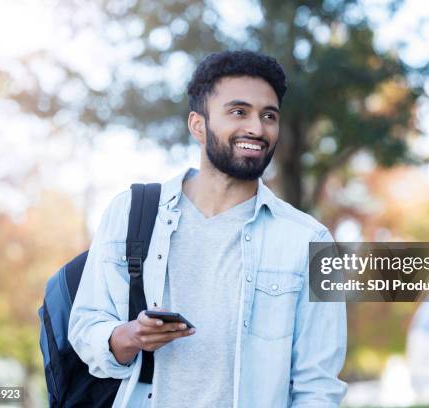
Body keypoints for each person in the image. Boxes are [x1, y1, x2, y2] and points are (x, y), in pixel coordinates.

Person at [68, 50, 347, 408]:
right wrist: (130, 335)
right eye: (238, 112)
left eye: (269, 116)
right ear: (197, 125)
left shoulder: (311, 241)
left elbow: (318, 388)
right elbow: (86, 326)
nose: (257, 128)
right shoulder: (131, 212)